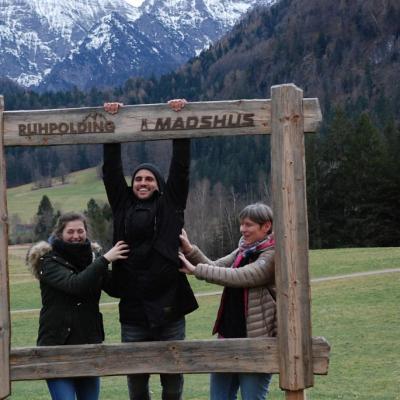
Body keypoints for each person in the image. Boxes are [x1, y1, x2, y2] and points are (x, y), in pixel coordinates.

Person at [102, 99, 198, 400]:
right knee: (136, 382)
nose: (143, 182)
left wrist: (179, 122)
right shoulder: (122, 205)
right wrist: (112, 125)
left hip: (170, 304)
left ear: (158, 184)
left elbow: (180, 169)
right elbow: (111, 171)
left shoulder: (171, 205)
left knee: (172, 380)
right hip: (132, 308)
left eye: (149, 179)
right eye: (138, 179)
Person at [26, 211, 129, 400]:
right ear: (59, 234)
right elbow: (75, 285)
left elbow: (116, 290)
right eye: (70, 231)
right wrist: (105, 260)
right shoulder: (47, 260)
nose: (76, 236)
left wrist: (126, 264)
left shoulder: (93, 258)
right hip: (56, 345)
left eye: (80, 231)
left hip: (88, 343)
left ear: (86, 232)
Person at [178, 203, 276, 400]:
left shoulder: (272, 254)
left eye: (248, 225)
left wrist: (197, 270)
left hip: (256, 343)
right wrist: (190, 250)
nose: (242, 229)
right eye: (241, 224)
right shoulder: (243, 250)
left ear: (266, 226)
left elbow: (240, 276)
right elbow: (215, 266)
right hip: (227, 337)